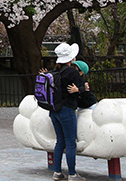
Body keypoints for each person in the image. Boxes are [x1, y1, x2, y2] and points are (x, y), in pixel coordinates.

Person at [49, 42, 87, 181]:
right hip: (67, 109)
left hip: (54, 110)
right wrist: (80, 89)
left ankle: (57, 172)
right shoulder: (71, 71)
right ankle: (72, 174)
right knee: (71, 142)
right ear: (71, 58)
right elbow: (83, 87)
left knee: (60, 142)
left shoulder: (55, 71)